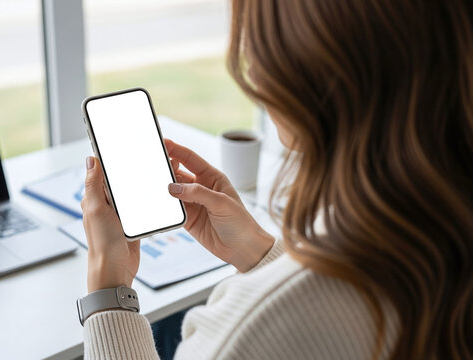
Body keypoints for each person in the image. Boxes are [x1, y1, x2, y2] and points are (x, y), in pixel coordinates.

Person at [80, 0, 473, 359]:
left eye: (258, 39)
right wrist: (260, 254)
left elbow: (300, 315)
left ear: (307, 66)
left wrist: (107, 293)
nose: (251, 68)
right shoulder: (444, 228)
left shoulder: (245, 332)